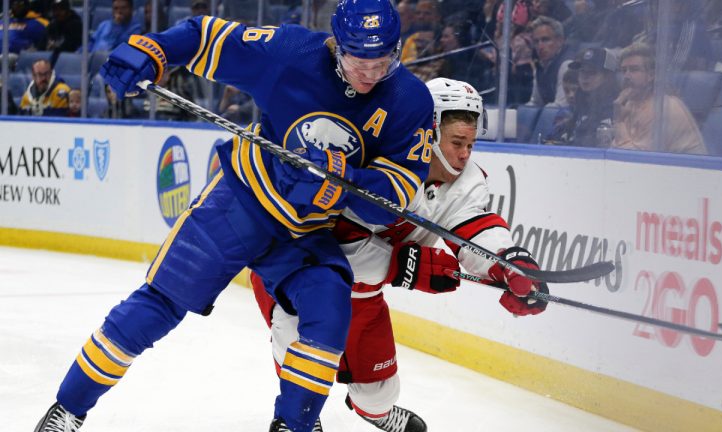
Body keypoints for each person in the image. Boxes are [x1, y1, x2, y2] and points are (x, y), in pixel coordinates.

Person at [33, 1, 435, 432]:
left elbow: (396, 194)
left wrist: (346, 179)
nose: (371, 72)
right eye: (360, 59)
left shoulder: (410, 100)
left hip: (306, 231)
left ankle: (292, 425)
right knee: (159, 304)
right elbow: (206, 35)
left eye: (383, 59)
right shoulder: (292, 52)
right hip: (239, 203)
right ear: (336, 45)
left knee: (329, 308)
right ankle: (68, 409)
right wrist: (155, 50)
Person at [251, 78, 548, 432]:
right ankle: (298, 415)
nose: (465, 153)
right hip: (300, 276)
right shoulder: (376, 162)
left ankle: (373, 412)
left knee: (378, 392)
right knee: (300, 341)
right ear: (428, 132)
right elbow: (327, 241)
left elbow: (474, 227)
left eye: (470, 143)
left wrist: (507, 264)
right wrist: (400, 265)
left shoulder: (467, 179)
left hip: (365, 294)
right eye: (456, 143)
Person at [611, 43, 707, 154]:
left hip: (685, 169)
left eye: (634, 70)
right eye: (624, 70)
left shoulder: (664, 107)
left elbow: (637, 159)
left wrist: (618, 122)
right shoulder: (630, 104)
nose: (626, 76)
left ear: (651, 75)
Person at [567, 47, 620, 147]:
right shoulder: (581, 98)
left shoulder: (615, 104)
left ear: (608, 76)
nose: (584, 77)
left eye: (592, 72)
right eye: (582, 71)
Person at [526, 16, 572, 107]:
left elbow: (561, 106)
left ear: (560, 41)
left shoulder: (566, 65)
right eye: (536, 41)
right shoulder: (539, 66)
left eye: (545, 40)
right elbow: (535, 102)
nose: (540, 46)